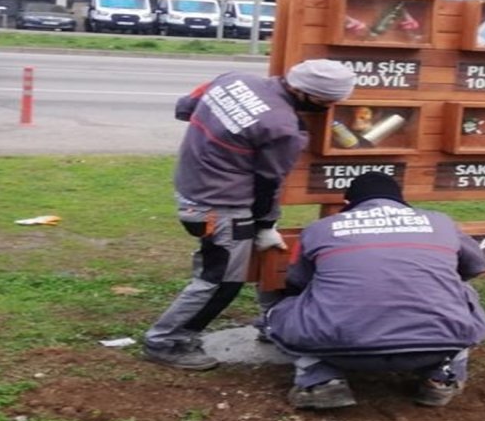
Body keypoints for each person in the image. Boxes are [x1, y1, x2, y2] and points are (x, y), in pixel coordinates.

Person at [142, 59, 357, 371]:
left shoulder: (234, 78)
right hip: (220, 205)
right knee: (220, 281)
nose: (332, 107)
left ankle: (272, 323)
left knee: (240, 265)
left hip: (193, 187)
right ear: (310, 94)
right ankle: (166, 341)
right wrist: (267, 225)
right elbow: (268, 182)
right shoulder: (284, 128)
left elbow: (186, 107)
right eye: (330, 101)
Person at [265, 171, 485, 410]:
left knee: (286, 308)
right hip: (436, 345)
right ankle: (443, 376)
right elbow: (475, 267)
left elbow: (297, 280)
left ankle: (319, 378)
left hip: (339, 347)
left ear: (347, 204)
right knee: (463, 295)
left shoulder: (320, 228)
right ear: (400, 200)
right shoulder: (440, 221)